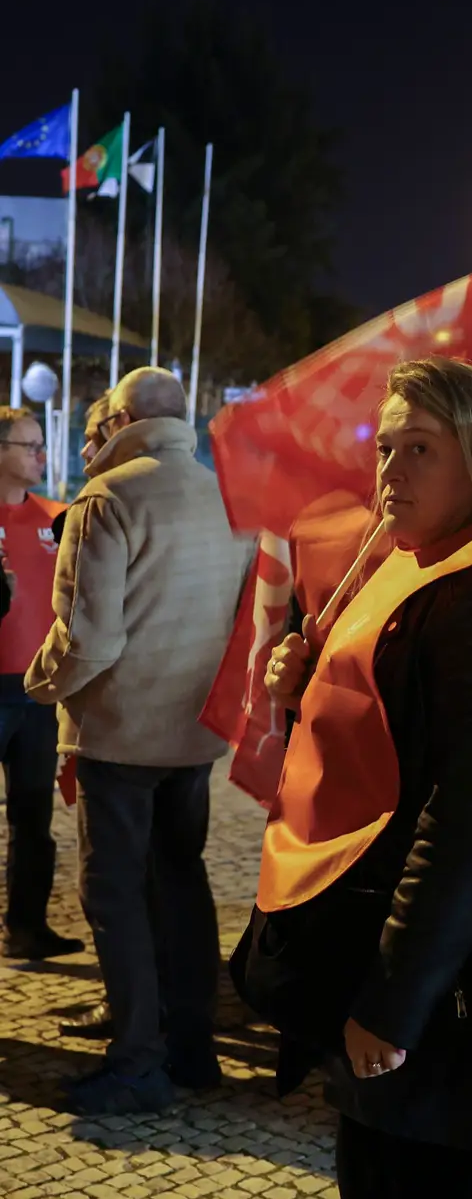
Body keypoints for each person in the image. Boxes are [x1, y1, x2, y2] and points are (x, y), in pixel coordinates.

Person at [242, 358, 472, 1199]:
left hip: (459, 994)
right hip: (420, 969)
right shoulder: (424, 564)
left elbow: (471, 825)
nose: (390, 474)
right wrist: (308, 676)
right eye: (386, 448)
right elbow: (400, 725)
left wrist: (392, 1003)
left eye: (420, 450)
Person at [27, 368, 251, 1113]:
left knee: (114, 895)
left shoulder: (108, 498)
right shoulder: (225, 494)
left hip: (120, 734)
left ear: (119, 419)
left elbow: (89, 636)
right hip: (193, 731)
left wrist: (41, 685)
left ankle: (136, 1062)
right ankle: (192, 1047)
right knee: (182, 884)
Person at [0, 406, 79, 961]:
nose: (40, 456)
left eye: (40, 446)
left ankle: (26, 927)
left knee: (34, 818)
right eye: (28, 445)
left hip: (36, 692)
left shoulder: (57, 517)